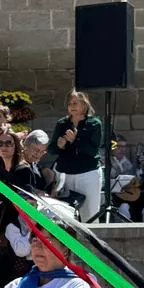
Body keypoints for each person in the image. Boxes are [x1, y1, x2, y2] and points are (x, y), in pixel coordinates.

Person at [52, 92, 104, 221]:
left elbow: (93, 150)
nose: (72, 106)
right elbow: (52, 149)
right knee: (65, 215)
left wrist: (76, 140)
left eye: (75, 103)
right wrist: (59, 145)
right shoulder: (62, 123)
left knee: (90, 214)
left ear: (84, 105)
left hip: (88, 174)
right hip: (66, 174)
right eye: (70, 104)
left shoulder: (94, 124)